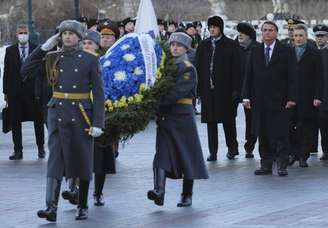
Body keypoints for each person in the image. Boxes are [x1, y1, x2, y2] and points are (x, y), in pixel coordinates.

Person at [22, 20, 105, 221]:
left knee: (82, 158)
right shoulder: (53, 57)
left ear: (79, 37)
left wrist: (98, 123)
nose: (67, 36)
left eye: (71, 33)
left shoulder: (89, 59)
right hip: (57, 112)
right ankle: (51, 207)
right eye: (64, 33)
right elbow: (26, 71)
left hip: (81, 113)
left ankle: (83, 204)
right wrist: (42, 49)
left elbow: (99, 93)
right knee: (55, 159)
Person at [147, 32, 208, 207]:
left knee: (186, 154)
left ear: (186, 49)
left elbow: (176, 93)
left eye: (179, 46)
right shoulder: (164, 66)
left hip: (182, 115)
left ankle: (187, 194)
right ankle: (159, 191)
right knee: (162, 153)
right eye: (172, 45)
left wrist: (153, 102)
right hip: (166, 116)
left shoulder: (187, 68)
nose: (175, 48)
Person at [242, 21, 297, 176]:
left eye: (270, 30)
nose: (267, 33)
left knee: (280, 133)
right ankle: (265, 164)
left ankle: (281, 164)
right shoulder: (255, 50)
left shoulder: (286, 50)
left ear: (276, 32)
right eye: (265, 30)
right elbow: (249, 75)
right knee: (263, 132)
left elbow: (293, 76)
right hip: (259, 100)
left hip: (280, 99)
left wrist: (292, 97)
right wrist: (245, 96)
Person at [196, 15, 241, 161]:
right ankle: (213, 151)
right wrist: (198, 90)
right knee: (211, 121)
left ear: (220, 28)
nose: (212, 29)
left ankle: (232, 148)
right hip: (208, 91)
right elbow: (198, 68)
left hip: (226, 91)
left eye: (214, 27)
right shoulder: (204, 45)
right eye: (210, 27)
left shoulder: (230, 45)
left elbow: (237, 68)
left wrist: (236, 89)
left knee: (228, 121)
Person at [3, 23, 45, 160]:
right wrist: (5, 92)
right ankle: (18, 150)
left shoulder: (36, 49)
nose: (22, 35)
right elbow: (7, 72)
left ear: (28, 33)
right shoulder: (10, 51)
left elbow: (41, 71)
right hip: (15, 92)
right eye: (20, 33)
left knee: (38, 121)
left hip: (33, 92)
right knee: (15, 121)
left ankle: (41, 148)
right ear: (16, 34)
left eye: (24, 32)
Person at [287, 24, 322, 168]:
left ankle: (303, 156)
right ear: (292, 37)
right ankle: (293, 153)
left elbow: (319, 77)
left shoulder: (314, 53)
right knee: (289, 126)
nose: (298, 38)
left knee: (305, 127)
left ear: (306, 36)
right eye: (296, 36)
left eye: (301, 35)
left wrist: (318, 96)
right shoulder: (287, 52)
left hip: (308, 97)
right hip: (290, 97)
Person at [236, 22, 259, 158]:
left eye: (243, 33)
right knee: (249, 119)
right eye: (239, 33)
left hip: (256, 90)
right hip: (242, 90)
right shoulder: (236, 48)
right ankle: (249, 146)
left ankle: (258, 145)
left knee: (258, 119)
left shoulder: (256, 48)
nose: (240, 35)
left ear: (249, 36)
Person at [313, 24, 328, 160]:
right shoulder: (314, 52)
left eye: (322, 36)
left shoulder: (324, 53)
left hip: (325, 95)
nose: (319, 38)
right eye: (317, 36)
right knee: (322, 126)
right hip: (317, 96)